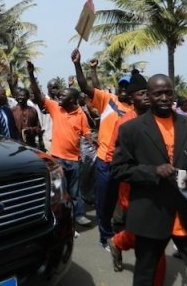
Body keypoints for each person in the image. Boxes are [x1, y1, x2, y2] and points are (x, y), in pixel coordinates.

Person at [110, 74, 187, 286]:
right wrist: (153, 171)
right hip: (151, 214)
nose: (164, 97)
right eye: (158, 93)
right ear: (149, 96)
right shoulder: (131, 129)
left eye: (168, 92)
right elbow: (119, 170)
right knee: (145, 277)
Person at [71, 48, 133, 250]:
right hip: (104, 161)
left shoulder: (138, 110)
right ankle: (105, 236)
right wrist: (78, 64)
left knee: (122, 202)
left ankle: (119, 232)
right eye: (121, 86)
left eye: (128, 87)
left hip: (125, 164)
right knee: (104, 200)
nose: (123, 90)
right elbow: (86, 86)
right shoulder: (109, 101)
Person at [27, 60, 93, 227]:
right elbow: (38, 94)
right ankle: (60, 218)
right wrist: (31, 75)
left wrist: (95, 143)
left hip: (75, 160)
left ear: (73, 100)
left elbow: (86, 134)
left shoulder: (80, 115)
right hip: (57, 158)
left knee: (75, 192)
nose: (59, 97)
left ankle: (79, 215)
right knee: (57, 192)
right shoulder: (56, 108)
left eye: (63, 95)